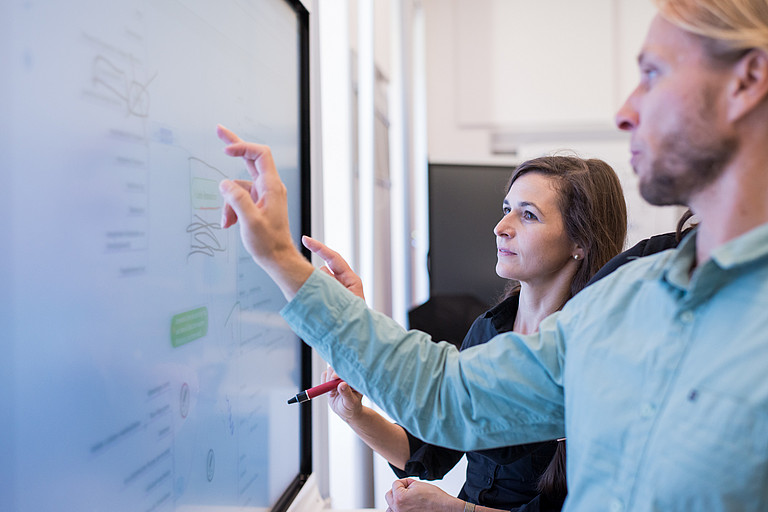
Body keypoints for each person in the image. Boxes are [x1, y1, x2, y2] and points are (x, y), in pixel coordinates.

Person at [216, 0, 768, 509]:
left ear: (747, 80)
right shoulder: (631, 297)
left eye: (653, 74)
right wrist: (289, 266)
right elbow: (448, 399)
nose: (626, 112)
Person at [306, 155, 628, 512]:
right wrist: (355, 414)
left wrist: (456, 510)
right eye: (507, 208)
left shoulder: (596, 356)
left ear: (579, 242)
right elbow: (430, 449)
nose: (501, 226)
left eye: (528, 215)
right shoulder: (488, 330)